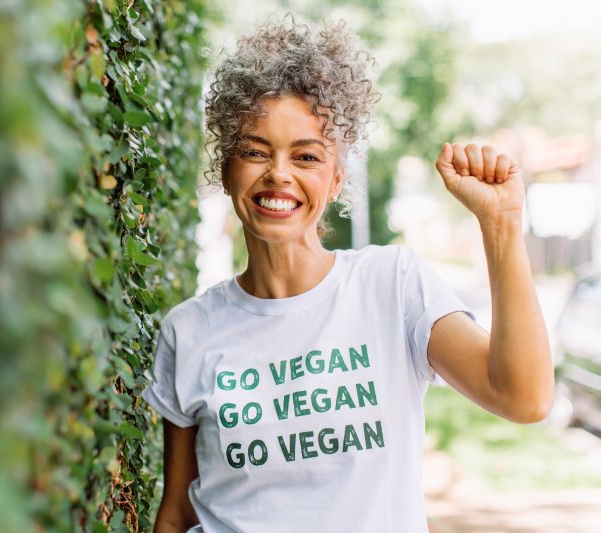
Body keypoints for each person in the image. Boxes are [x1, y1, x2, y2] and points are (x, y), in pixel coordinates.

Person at [142, 16, 553, 533]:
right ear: (227, 171)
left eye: (306, 156)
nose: (279, 173)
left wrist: (501, 225)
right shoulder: (188, 330)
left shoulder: (394, 284)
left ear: (335, 180)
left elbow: (524, 396)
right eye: (254, 151)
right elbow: (177, 514)